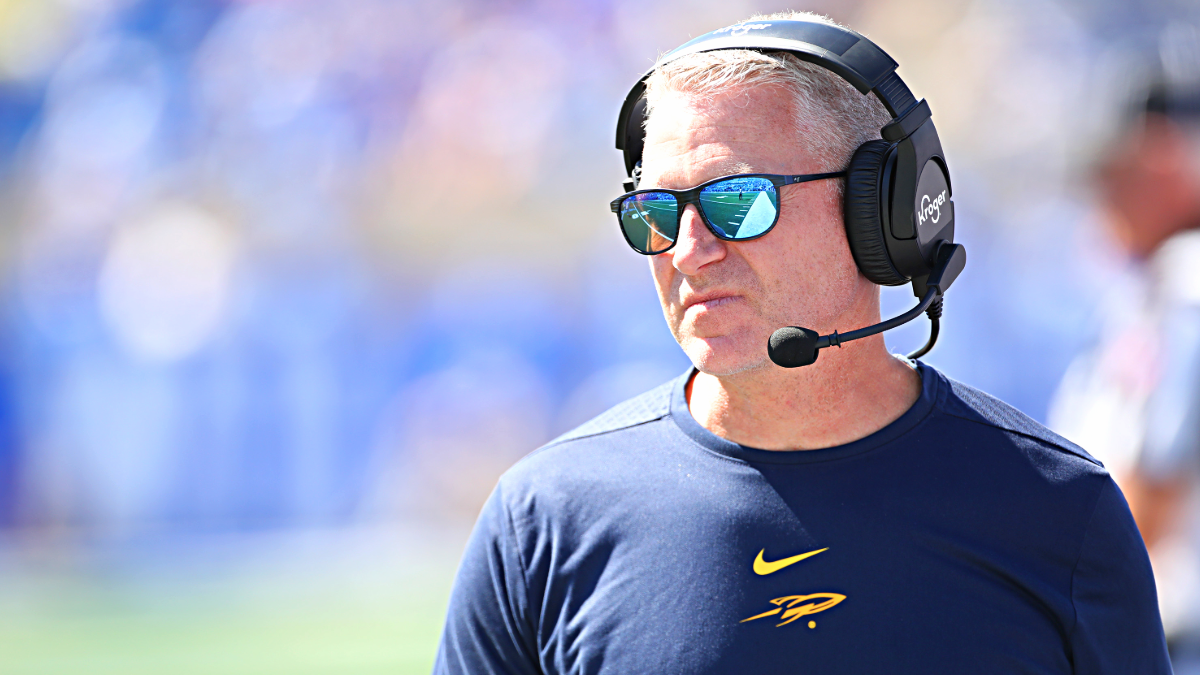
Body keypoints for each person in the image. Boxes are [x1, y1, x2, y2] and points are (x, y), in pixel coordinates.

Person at [434, 12, 1169, 673]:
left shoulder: (1059, 511)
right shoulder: (541, 519)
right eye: (656, 210)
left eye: (736, 201)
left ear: (880, 214)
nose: (688, 250)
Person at [1049, 30, 1200, 671]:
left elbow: (1158, 482)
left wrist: (1056, 601)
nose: (1100, 196)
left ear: (1163, 158)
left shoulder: (1187, 277)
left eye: (1111, 171)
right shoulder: (1160, 281)